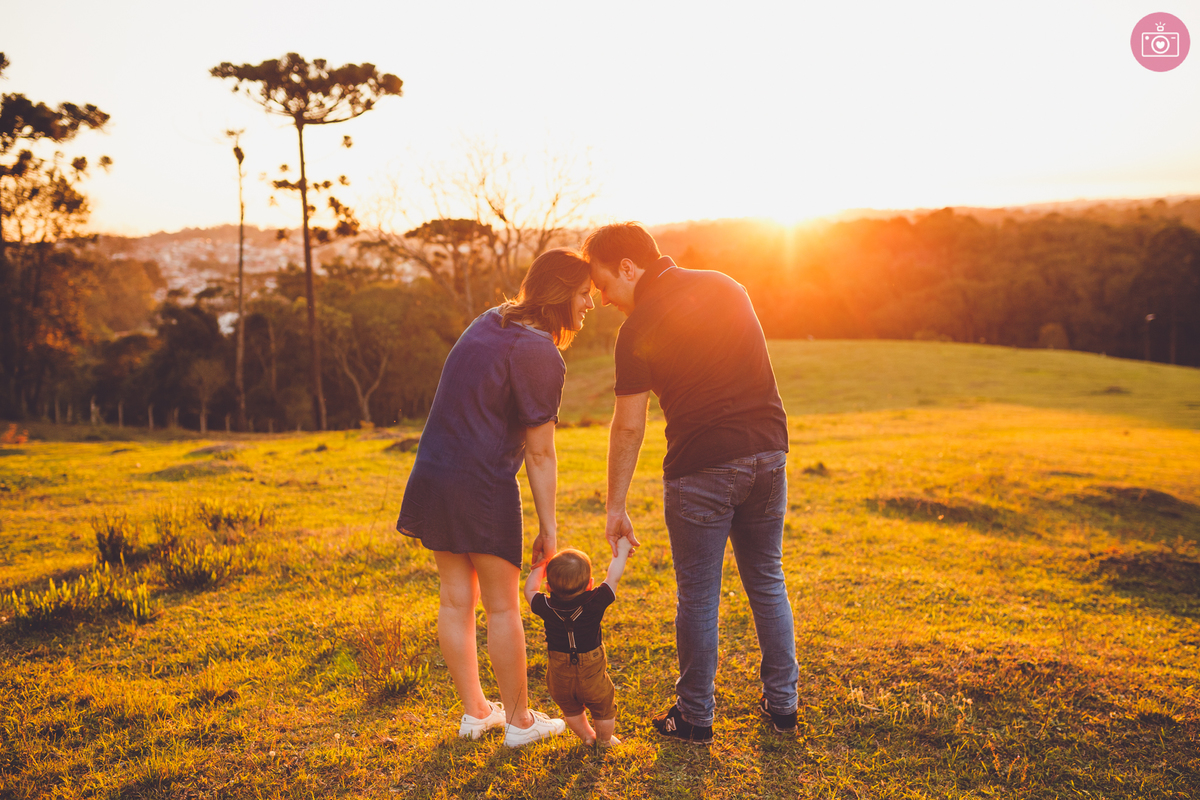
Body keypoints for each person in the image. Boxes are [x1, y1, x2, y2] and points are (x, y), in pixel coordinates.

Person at [583, 222, 799, 744]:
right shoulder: (728, 286)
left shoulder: (636, 332)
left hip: (701, 468)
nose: (604, 299)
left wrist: (616, 505)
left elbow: (629, 424)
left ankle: (695, 716)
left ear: (630, 268)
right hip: (769, 454)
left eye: (605, 284)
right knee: (767, 579)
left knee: (699, 598)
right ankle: (784, 705)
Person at [396, 248, 596, 748]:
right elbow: (541, 452)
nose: (591, 304)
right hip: (482, 485)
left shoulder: (489, 320)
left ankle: (476, 713)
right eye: (584, 294)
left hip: (434, 474)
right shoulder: (539, 351)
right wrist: (549, 530)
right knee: (503, 609)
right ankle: (521, 723)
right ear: (560, 293)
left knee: (455, 599)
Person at [523, 539, 634, 748]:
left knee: (570, 709)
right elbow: (614, 577)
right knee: (603, 706)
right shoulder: (595, 602)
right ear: (590, 584)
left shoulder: (546, 605)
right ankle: (603, 740)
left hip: (559, 672)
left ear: (548, 587)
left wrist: (540, 564)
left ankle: (586, 736)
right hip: (592, 670)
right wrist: (622, 550)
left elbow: (529, 591)